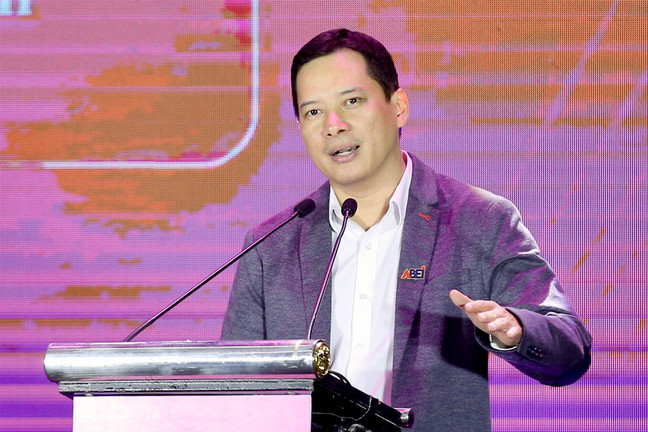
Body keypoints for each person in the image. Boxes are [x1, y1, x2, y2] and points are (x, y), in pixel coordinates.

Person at [221, 28, 591, 431]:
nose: (333, 125)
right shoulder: (270, 245)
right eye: (313, 112)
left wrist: (515, 330)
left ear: (398, 107)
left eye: (352, 101)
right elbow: (234, 391)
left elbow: (569, 349)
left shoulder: (479, 219)